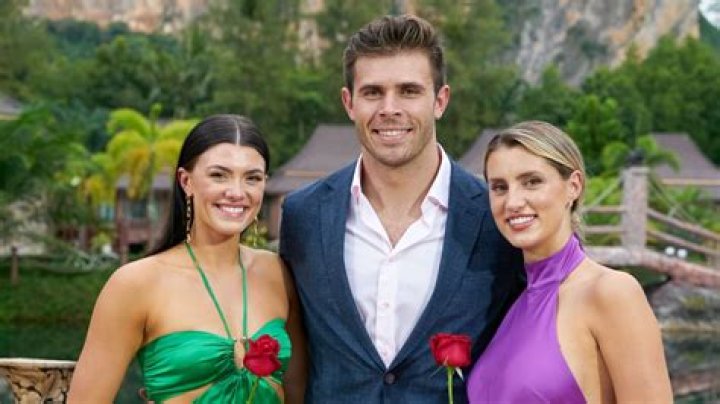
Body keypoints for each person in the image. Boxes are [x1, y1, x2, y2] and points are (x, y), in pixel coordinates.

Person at [279, 15, 524, 403]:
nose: (389, 108)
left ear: (440, 101)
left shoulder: (496, 218)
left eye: (409, 91)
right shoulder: (303, 215)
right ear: (349, 103)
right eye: (373, 92)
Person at [68, 115, 306, 403]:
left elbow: (300, 393)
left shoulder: (277, 273)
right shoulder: (136, 284)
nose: (236, 192)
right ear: (186, 181)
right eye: (219, 175)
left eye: (252, 178)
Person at [467, 120, 673, 403]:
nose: (512, 202)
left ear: (573, 186)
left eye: (532, 182)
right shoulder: (510, 303)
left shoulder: (612, 293)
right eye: (500, 187)